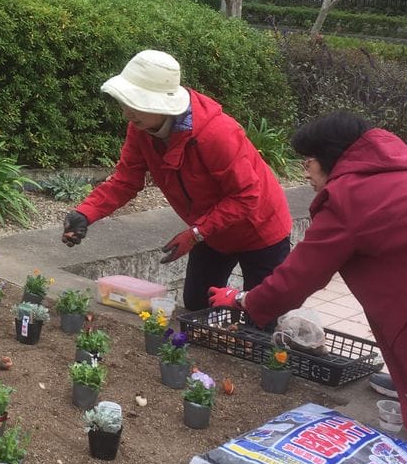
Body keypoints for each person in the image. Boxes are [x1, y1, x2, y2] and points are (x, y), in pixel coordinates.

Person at [209, 111, 407, 442]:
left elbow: (298, 277)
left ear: (330, 158)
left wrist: (243, 299)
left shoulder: (349, 198)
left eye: (308, 163)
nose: (306, 174)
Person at [61, 49, 292, 310]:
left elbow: (247, 195)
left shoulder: (217, 133)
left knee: (264, 314)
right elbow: (126, 180)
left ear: (161, 104)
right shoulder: (141, 129)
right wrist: (85, 213)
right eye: (125, 103)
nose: (127, 113)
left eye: (135, 105)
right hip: (212, 233)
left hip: (260, 229)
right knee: (196, 305)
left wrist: (196, 233)